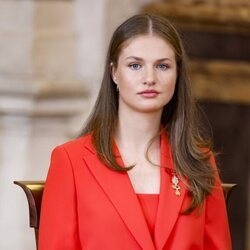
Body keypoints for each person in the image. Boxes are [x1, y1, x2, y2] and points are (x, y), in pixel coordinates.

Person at [38, 14, 232, 249]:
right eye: (135, 65)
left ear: (177, 74)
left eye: (162, 66)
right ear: (114, 73)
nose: (149, 78)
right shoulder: (71, 160)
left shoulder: (198, 161)